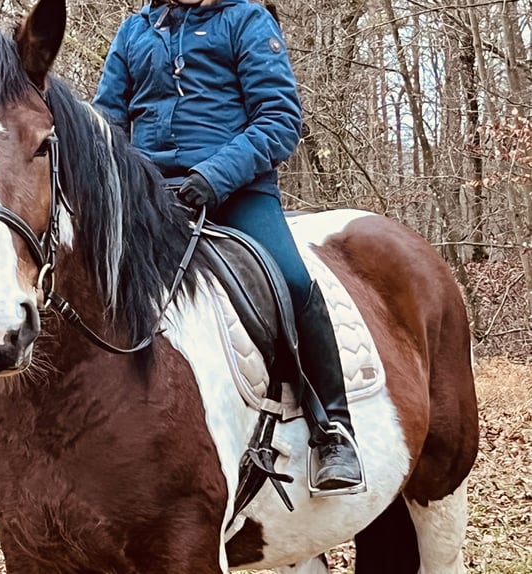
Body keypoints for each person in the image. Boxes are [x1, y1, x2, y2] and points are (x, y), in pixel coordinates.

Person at [93, 0, 362, 491]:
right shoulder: (134, 32)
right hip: (150, 195)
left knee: (293, 278)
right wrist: (126, 180)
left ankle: (334, 431)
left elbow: (280, 119)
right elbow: (106, 122)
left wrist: (213, 177)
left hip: (237, 190)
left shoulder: (247, 20)